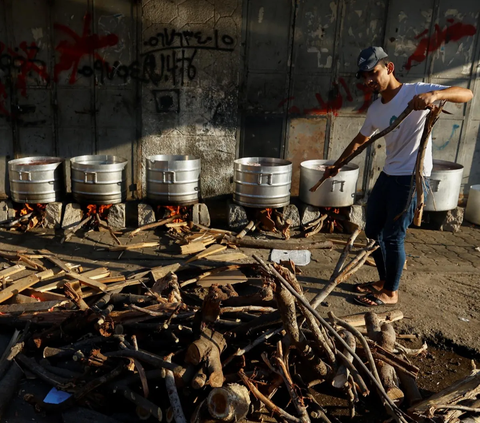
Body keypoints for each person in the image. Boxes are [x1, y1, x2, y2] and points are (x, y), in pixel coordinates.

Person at [323, 46, 473, 307]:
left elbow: (467, 93)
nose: (369, 81)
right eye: (364, 76)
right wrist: (338, 164)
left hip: (411, 177)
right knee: (373, 230)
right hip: (389, 174)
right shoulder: (376, 110)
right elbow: (360, 140)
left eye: (373, 73)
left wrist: (434, 95)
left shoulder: (415, 91)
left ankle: (391, 293)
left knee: (394, 236)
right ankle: (384, 281)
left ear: (389, 68)